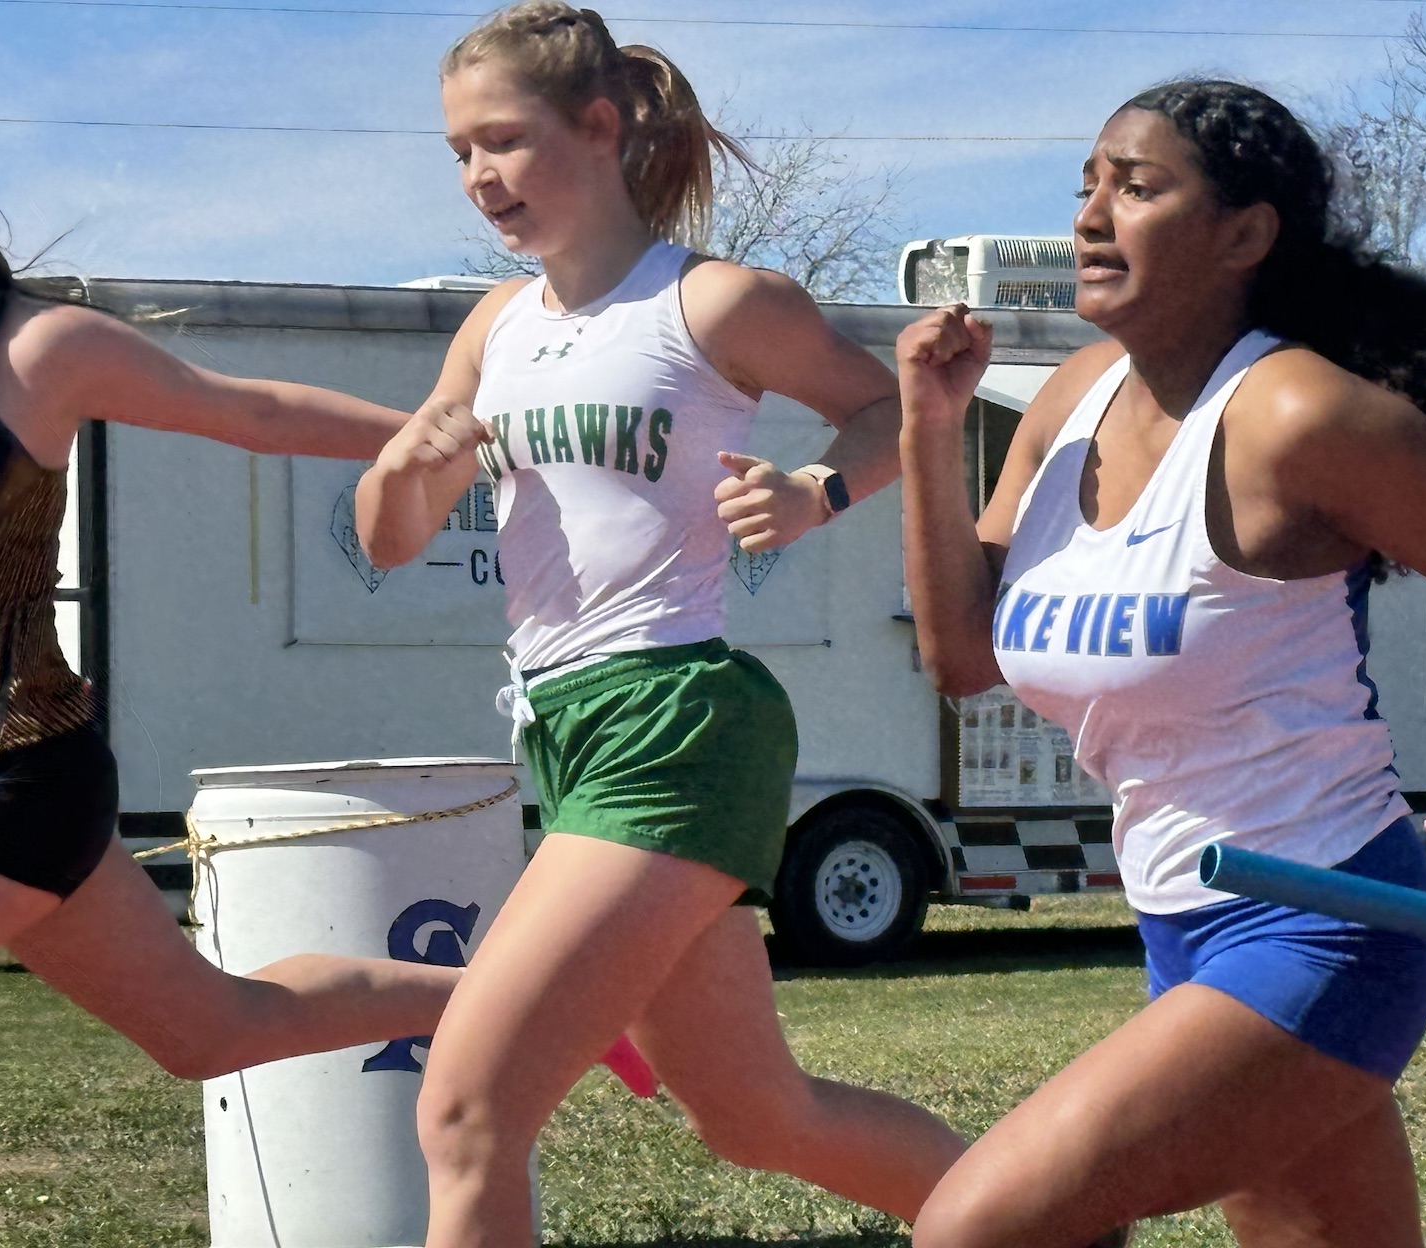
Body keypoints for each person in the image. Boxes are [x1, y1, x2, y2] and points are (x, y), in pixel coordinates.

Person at [351, 6, 966, 1243]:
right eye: (459, 152)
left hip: (676, 715)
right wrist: (409, 467)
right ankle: (1039, 1218)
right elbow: (386, 537)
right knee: (753, 1116)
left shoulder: (716, 301)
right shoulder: (495, 326)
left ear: (598, 127)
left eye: (503, 142)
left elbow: (886, 413)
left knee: (467, 1112)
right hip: (564, 724)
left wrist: (814, 493)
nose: (479, 177)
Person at [896, 79, 1426, 1248]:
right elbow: (957, 659)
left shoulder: (1299, 416)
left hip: (1326, 920)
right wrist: (930, 429)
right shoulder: (1071, 395)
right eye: (1085, 187)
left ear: (1244, 234)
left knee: (976, 1231)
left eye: (1136, 189)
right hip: (1179, 922)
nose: (1091, 217)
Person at [0, 156, 462, 1076]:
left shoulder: (34, 351)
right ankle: (536, 993)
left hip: (6, 777)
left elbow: (248, 410)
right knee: (213, 1032)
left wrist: (437, 441)